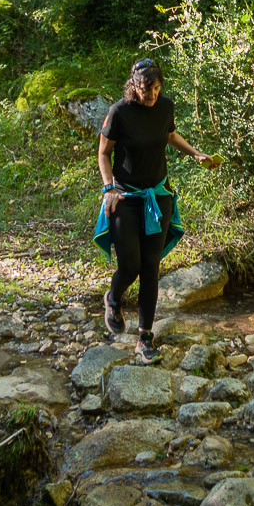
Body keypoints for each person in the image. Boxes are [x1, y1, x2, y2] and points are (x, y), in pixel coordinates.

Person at [93, 58, 219, 364]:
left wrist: (196, 154)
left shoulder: (165, 107)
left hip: (158, 197)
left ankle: (145, 338)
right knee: (130, 265)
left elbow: (170, 135)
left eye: (157, 88)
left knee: (150, 266)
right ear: (134, 85)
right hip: (125, 197)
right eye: (146, 89)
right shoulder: (119, 112)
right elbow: (103, 153)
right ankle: (113, 298)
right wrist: (109, 188)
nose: (152, 94)